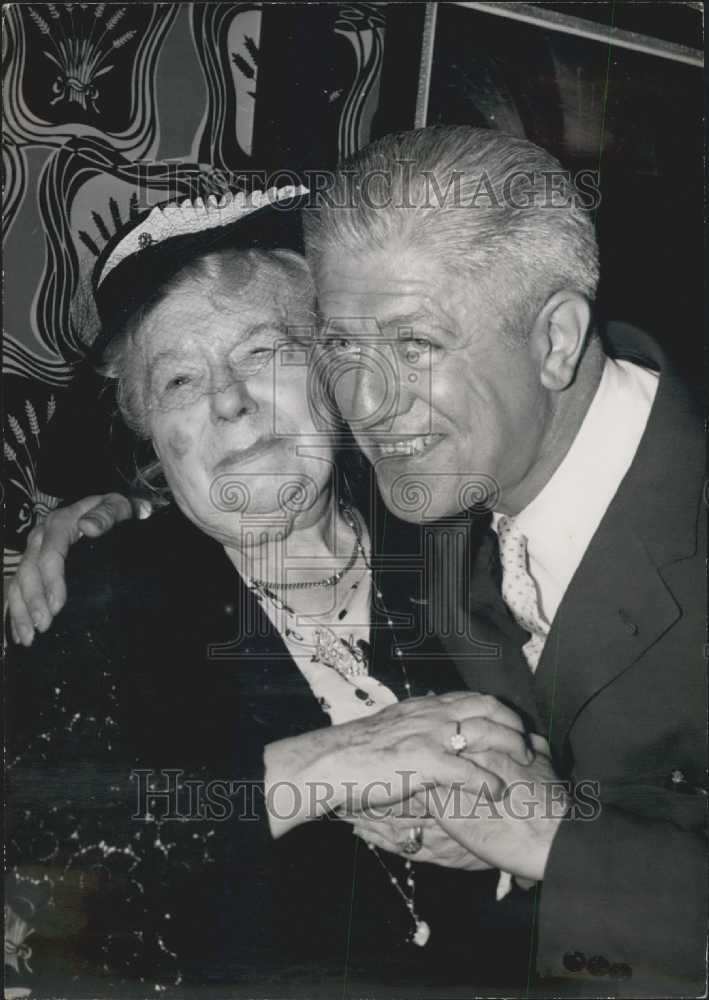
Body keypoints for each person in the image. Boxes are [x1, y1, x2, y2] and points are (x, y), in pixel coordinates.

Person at [9, 126, 706, 996]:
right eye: (179, 382)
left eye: (266, 353)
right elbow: (44, 852)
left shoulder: (448, 521)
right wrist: (327, 764)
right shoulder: (102, 594)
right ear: (149, 434)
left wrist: (525, 853)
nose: (229, 402)